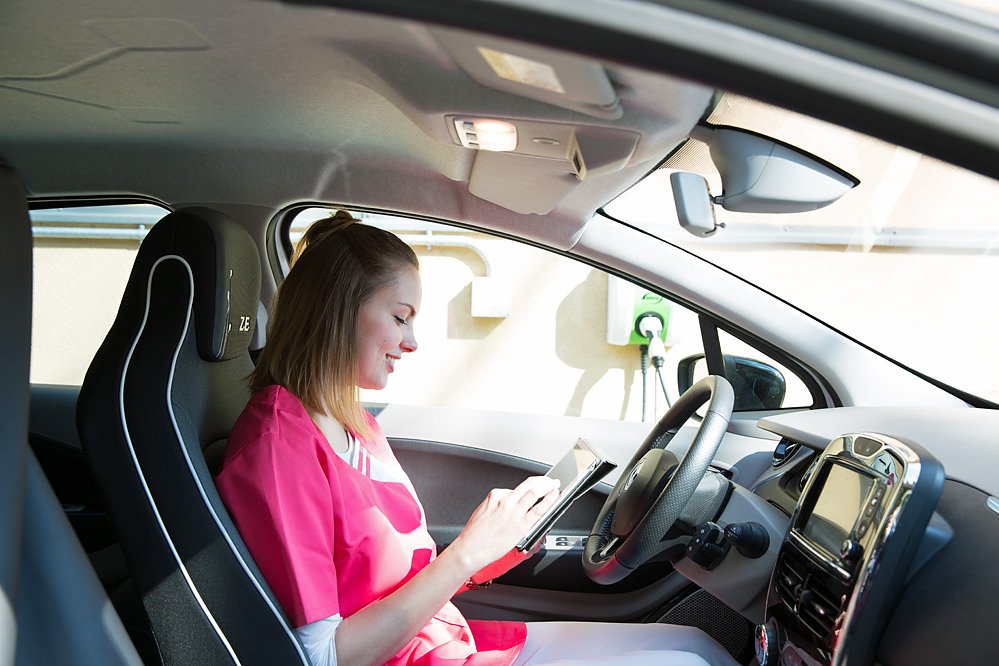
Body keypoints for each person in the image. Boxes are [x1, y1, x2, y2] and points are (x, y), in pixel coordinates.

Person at [216, 211, 738, 666]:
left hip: (444, 640)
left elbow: (403, 576)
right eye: (400, 318)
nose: (412, 342)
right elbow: (323, 656)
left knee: (695, 644)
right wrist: (464, 554)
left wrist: (496, 544)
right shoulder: (279, 445)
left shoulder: (355, 422)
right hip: (415, 657)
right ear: (337, 309)